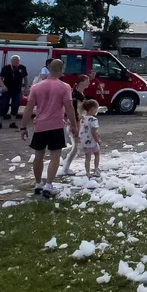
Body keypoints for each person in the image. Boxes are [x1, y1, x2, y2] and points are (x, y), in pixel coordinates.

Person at [20, 59, 74, 199]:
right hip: (56, 124)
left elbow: (29, 108)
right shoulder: (64, 87)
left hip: (40, 125)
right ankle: (49, 185)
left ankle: (38, 184)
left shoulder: (36, 87)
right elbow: (69, 107)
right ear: (61, 69)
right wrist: (73, 124)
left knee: (38, 156)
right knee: (55, 156)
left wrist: (23, 126)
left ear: (49, 69)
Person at [59, 74, 90, 176]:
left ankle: (65, 157)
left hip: (75, 121)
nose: (89, 83)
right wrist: (75, 124)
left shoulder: (77, 93)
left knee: (76, 145)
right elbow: (76, 110)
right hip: (75, 122)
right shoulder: (77, 95)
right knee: (76, 146)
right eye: (87, 81)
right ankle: (66, 167)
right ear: (81, 82)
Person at [0, 55, 29, 130]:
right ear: (11, 61)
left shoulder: (22, 68)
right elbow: (0, 78)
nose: (16, 61)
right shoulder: (6, 68)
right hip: (7, 90)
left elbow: (26, 78)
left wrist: (26, 87)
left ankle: (12, 123)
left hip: (17, 90)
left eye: (17, 60)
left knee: (15, 106)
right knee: (3, 106)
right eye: (14, 60)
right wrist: (3, 86)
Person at [77, 99, 103, 178]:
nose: (97, 110)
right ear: (92, 109)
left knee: (87, 157)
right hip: (91, 140)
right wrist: (97, 140)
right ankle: (96, 169)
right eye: (96, 109)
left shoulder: (83, 118)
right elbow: (93, 132)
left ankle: (87, 172)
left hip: (84, 140)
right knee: (97, 154)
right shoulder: (94, 119)